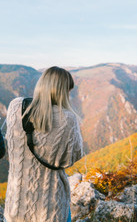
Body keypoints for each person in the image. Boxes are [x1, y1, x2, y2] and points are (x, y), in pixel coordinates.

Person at [4, 66, 83, 222]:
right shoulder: (68, 119)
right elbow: (72, 158)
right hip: (50, 210)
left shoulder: (16, 106)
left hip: (15, 206)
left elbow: (10, 143)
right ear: (62, 91)